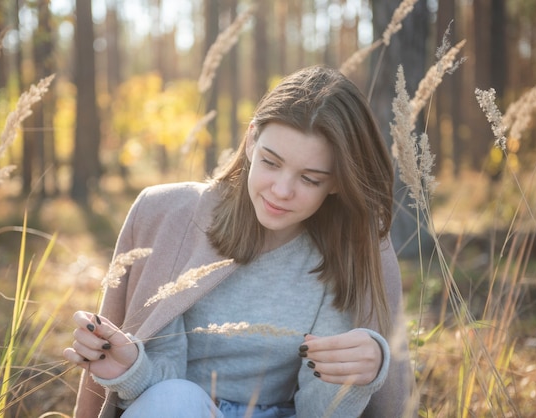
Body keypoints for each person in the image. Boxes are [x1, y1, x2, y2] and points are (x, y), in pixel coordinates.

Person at [63, 65, 416, 418]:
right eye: (270, 162)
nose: (281, 191)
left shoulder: (351, 247)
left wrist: (359, 375)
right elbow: (161, 397)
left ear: (337, 182)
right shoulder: (168, 217)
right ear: (251, 141)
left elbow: (318, 411)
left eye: (309, 179)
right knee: (175, 398)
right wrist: (130, 370)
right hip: (182, 408)